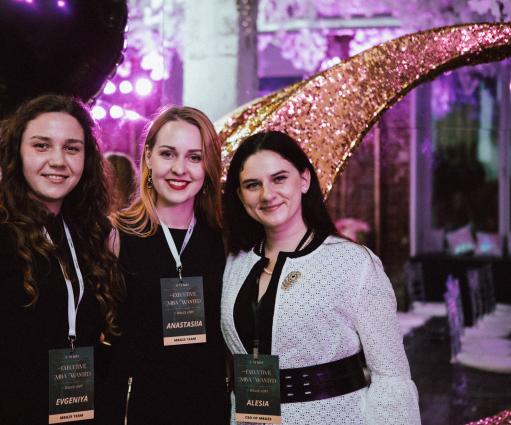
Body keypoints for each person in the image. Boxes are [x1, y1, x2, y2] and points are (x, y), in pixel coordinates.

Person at [0, 94, 123, 425]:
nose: (58, 160)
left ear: (86, 159)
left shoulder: (90, 236)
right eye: (41, 146)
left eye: (72, 148)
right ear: (16, 152)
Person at [221, 131, 420, 425]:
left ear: (304, 180)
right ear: (240, 195)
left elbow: (391, 376)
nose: (267, 194)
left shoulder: (353, 262)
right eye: (253, 185)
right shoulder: (235, 263)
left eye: (279, 178)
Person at [97, 106, 229, 425]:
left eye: (194, 157)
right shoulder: (115, 235)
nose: (179, 169)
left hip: (209, 408)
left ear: (209, 166)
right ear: (148, 157)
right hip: (136, 408)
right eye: (168, 154)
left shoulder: (225, 241)